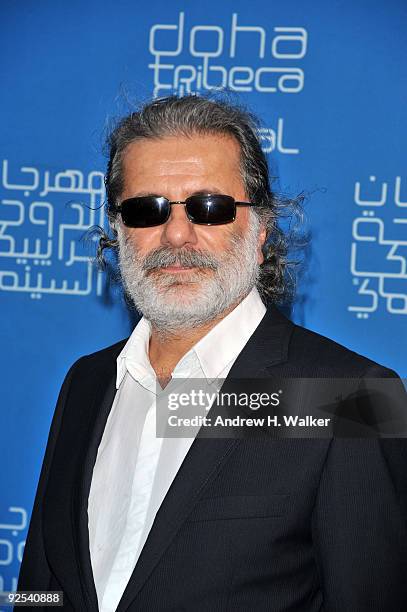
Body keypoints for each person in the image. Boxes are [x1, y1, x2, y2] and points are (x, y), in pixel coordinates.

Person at [18, 95, 407, 611]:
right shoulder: (87, 383)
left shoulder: (351, 398)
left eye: (210, 207)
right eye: (146, 209)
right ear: (117, 229)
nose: (176, 234)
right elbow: (39, 591)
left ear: (262, 228)